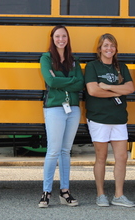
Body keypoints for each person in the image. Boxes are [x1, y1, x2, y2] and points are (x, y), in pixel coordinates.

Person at [84, 33, 135, 208]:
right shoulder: (92, 67)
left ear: (115, 49)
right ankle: (101, 195)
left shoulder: (121, 67)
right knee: (101, 157)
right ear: (100, 48)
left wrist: (109, 86)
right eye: (105, 46)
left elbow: (130, 87)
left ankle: (119, 195)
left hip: (119, 118)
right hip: (99, 118)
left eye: (112, 46)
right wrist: (118, 92)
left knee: (122, 157)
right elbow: (93, 91)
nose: (109, 49)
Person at [39, 25, 84, 208]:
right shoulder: (46, 58)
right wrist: (71, 81)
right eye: (57, 36)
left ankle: (65, 191)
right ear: (52, 38)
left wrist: (62, 82)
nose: (61, 39)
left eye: (64, 36)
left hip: (73, 109)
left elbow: (80, 84)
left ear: (68, 38)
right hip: (55, 109)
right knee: (53, 151)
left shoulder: (74, 60)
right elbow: (50, 81)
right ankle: (46, 192)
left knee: (66, 151)